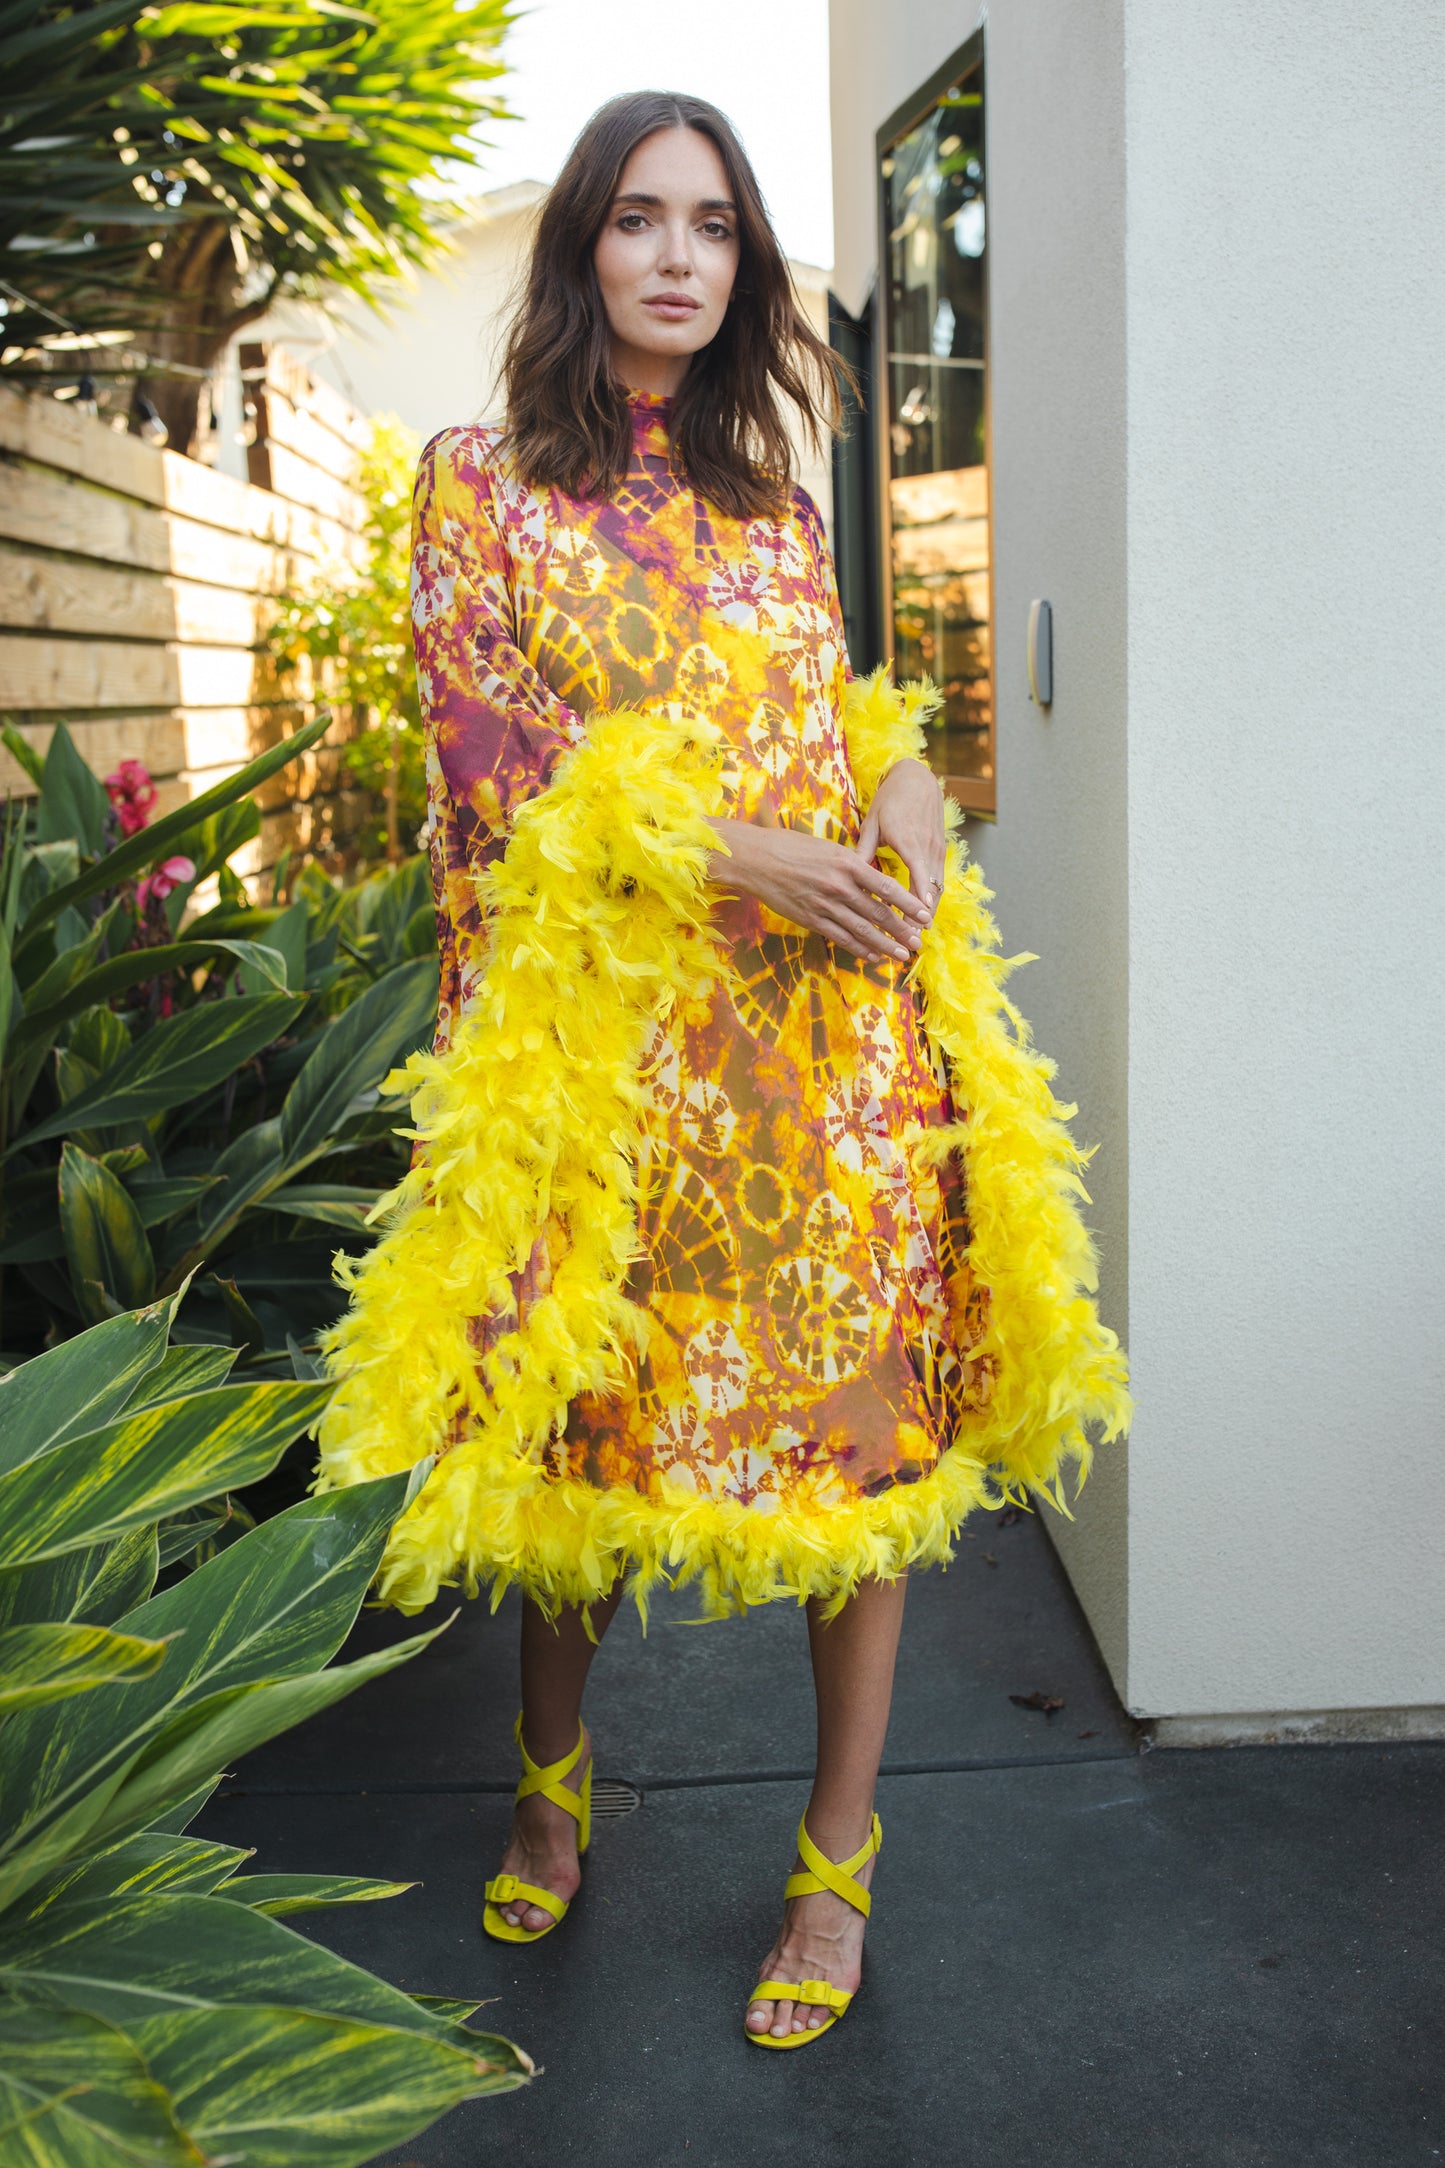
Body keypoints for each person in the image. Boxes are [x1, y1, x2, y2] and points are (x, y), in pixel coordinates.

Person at [317, 90, 1129, 2048]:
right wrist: (735, 856)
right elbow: (488, 771)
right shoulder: (480, 484)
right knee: (579, 1447)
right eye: (636, 219)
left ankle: (835, 1868)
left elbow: (845, 728)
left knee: (855, 1475)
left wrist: (914, 802)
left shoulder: (773, 501)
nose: (679, 255)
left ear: (744, 263)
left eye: (712, 225)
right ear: (582, 246)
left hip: (819, 1062)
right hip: (613, 1075)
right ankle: (550, 1775)